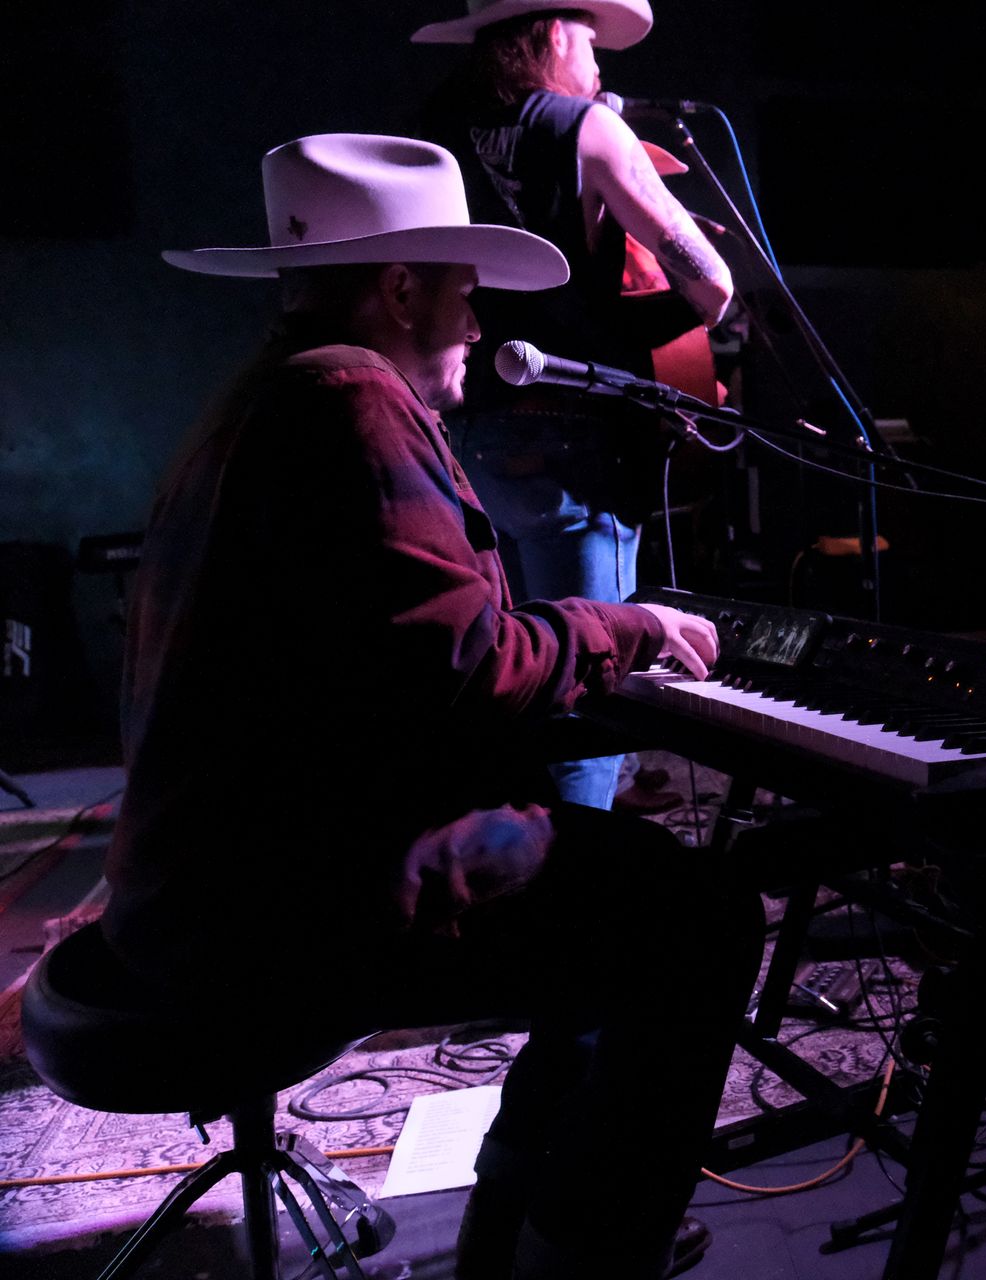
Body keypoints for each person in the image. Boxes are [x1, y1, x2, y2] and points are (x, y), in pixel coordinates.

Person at [107, 133, 761, 1278]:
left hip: (209, 882)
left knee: (607, 882)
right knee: (695, 915)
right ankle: (588, 1247)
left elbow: (382, 671)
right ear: (400, 287)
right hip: (286, 907)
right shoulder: (352, 405)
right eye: (463, 290)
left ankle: (520, 1224)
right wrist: (631, 627)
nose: (477, 321)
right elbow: (466, 663)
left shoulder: (256, 404)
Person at [415, 0, 735, 809]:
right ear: (556, 34)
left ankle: (509, 867)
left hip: (471, 428)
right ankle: (570, 891)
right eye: (593, 48)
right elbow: (711, 288)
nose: (602, 72)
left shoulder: (434, 128)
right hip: (576, 436)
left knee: (513, 665)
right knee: (589, 681)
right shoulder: (587, 128)